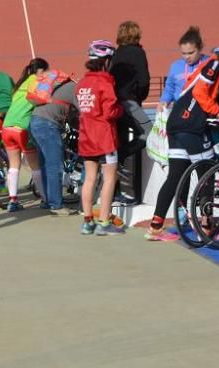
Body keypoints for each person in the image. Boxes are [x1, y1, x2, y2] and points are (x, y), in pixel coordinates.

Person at [145, 36, 219, 241]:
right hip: (190, 125)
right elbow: (201, 93)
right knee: (208, 172)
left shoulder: (215, 69)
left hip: (176, 124)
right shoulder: (216, 64)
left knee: (175, 176)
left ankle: (155, 227)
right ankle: (206, 227)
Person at [76, 40, 125, 236]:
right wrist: (122, 109)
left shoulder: (82, 83)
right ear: (106, 60)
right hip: (105, 138)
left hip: (87, 136)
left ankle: (87, 222)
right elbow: (110, 111)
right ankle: (104, 221)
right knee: (109, 178)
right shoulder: (105, 81)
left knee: (89, 179)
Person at [29, 67, 78, 215]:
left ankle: (47, 201)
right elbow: (83, 110)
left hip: (35, 121)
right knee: (54, 165)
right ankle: (56, 205)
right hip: (48, 125)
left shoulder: (56, 86)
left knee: (44, 164)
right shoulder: (75, 88)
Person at [1, 58, 48, 211]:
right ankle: (44, 198)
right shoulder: (37, 81)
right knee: (35, 166)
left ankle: (12, 201)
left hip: (7, 127)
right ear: (40, 70)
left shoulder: (20, 84)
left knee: (14, 166)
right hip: (22, 128)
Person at [110, 20, 152, 156]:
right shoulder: (138, 53)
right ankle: (120, 155)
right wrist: (138, 97)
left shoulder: (115, 53)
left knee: (120, 136)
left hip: (114, 102)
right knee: (148, 132)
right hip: (130, 101)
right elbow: (144, 80)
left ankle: (118, 165)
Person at [159, 26, 209, 110]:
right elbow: (169, 88)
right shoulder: (176, 67)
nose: (187, 57)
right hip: (180, 111)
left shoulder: (209, 64)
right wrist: (164, 101)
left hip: (203, 111)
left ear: (199, 48)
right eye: (184, 53)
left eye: (190, 53)